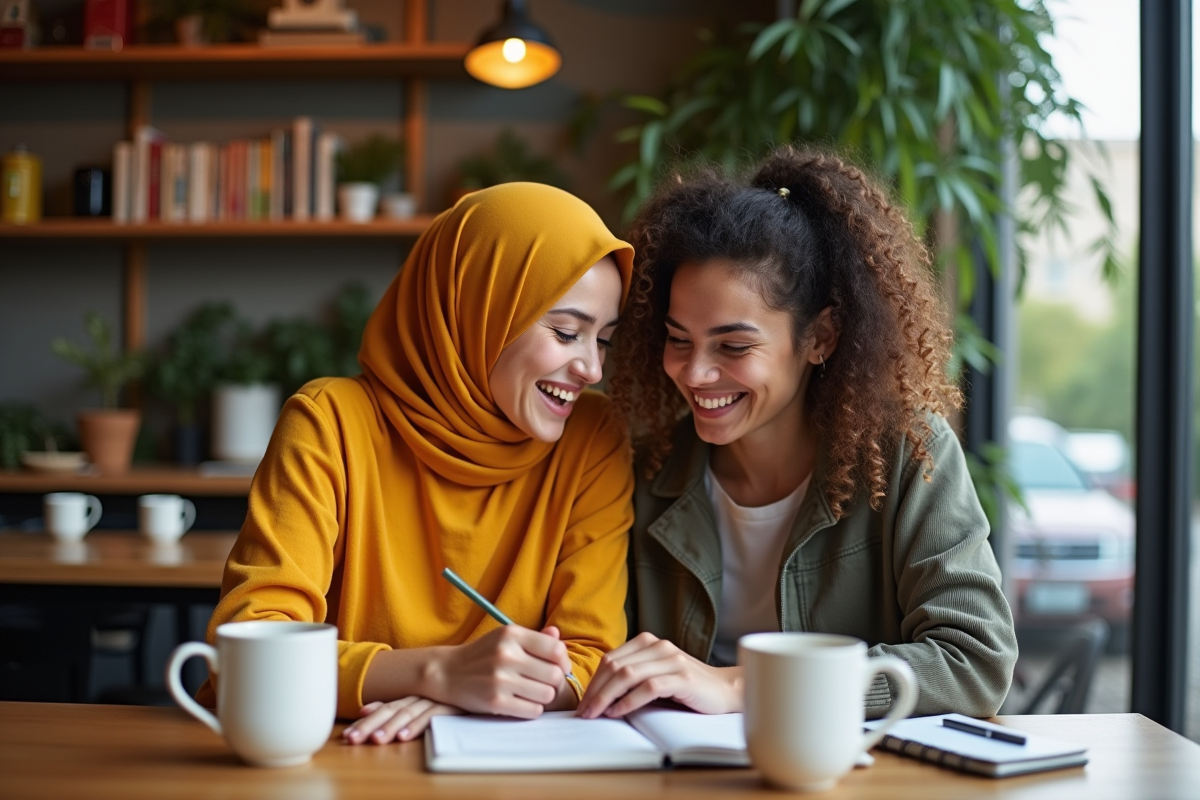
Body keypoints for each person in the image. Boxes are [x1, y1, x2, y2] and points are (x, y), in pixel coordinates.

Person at [577, 146, 1017, 722]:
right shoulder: (641, 469)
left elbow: (975, 660)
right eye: (679, 339)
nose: (695, 371)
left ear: (821, 338)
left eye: (734, 346)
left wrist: (742, 688)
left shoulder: (910, 455)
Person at [197, 182, 635, 744]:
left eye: (605, 341)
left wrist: (467, 699)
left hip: (505, 769)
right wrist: (441, 676)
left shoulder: (592, 438)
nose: (592, 369)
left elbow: (592, 659)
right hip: (335, 758)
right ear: (477, 307)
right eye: (567, 332)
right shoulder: (330, 422)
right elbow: (250, 647)